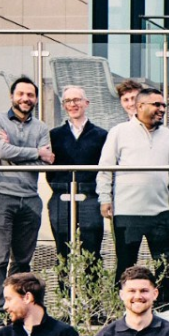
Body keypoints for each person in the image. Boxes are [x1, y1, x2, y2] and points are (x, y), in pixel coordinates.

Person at [97, 85, 169, 324]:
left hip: (161, 211)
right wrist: (105, 198)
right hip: (127, 213)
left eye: (163, 105)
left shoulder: (167, 135)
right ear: (140, 106)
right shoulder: (119, 132)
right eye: (156, 104)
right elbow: (105, 169)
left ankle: (166, 308)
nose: (161, 109)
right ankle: (121, 309)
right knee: (125, 263)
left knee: (165, 263)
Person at [0, 77, 50, 324]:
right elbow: (0, 151)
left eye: (30, 95)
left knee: (22, 261)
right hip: (1, 196)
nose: (25, 99)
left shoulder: (41, 128)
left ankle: (18, 309)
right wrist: (35, 152)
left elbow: (45, 162)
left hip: (30, 198)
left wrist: (13, 153)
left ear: (36, 99)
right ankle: (0, 311)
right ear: (12, 96)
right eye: (21, 94)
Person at [47, 85, 108, 264]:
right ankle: (65, 284)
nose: (72, 104)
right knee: (62, 252)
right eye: (68, 101)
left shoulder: (101, 135)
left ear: (86, 103)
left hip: (90, 197)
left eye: (77, 100)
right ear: (63, 105)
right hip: (61, 196)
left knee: (91, 252)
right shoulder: (54, 135)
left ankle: (92, 284)